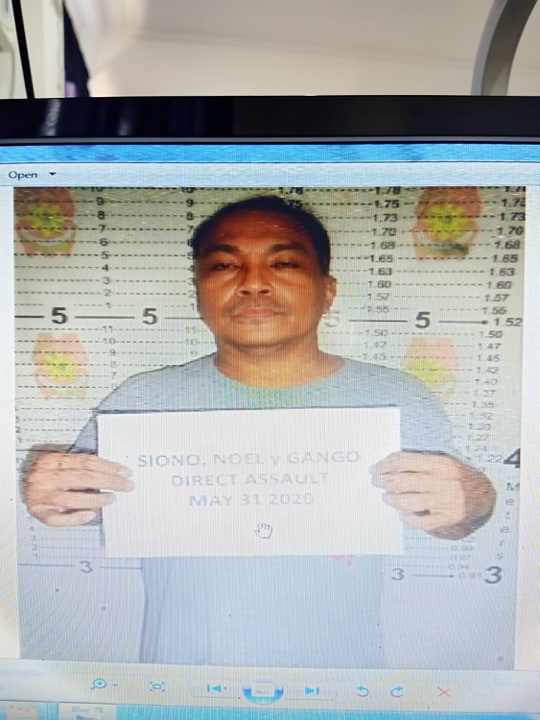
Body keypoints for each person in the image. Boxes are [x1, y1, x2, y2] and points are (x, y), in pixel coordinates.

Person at [25, 195, 496, 667]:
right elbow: (87, 501)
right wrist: (52, 489)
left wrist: (473, 499)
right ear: (198, 291)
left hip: (338, 678)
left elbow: (454, 522)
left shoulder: (395, 397)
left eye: (284, 263)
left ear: (328, 291)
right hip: (183, 677)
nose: (253, 283)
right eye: (224, 265)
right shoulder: (142, 399)